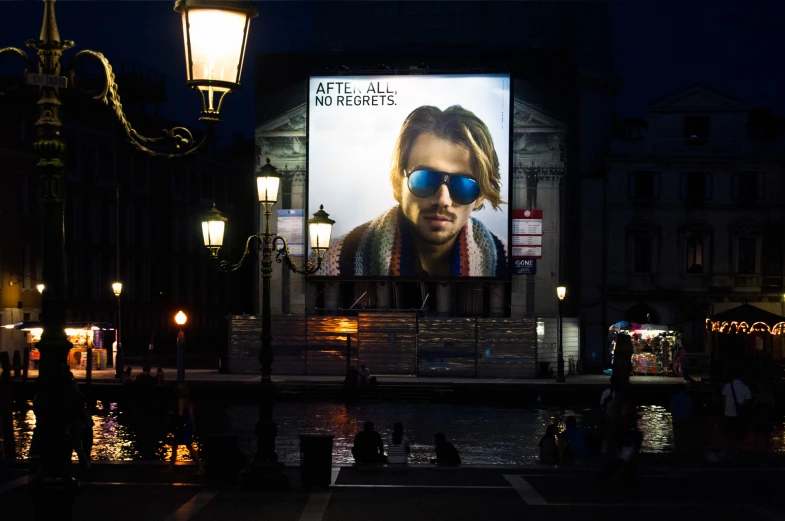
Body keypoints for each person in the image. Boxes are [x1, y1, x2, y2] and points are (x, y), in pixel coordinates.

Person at [316, 105, 508, 277]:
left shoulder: (506, 262)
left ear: (480, 196)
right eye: (424, 179)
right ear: (397, 181)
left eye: (463, 186)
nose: (443, 199)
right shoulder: (336, 261)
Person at [168, 383, 204, 474]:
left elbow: (180, 414)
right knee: (189, 446)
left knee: (176, 446)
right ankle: (200, 466)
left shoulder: (180, 400)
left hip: (182, 425)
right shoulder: (189, 401)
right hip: (188, 425)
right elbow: (191, 416)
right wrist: (194, 426)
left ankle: (171, 468)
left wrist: (172, 413)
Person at [721, 371, 751, 458]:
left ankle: (726, 453)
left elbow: (723, 400)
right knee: (739, 435)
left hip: (728, 414)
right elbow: (748, 403)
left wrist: (724, 411)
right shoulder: (745, 387)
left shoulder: (727, 386)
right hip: (740, 415)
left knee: (727, 435)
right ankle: (736, 454)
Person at [66, 375, 92, 472]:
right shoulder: (79, 394)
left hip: (75, 422)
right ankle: (85, 462)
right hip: (80, 421)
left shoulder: (71, 395)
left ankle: (84, 463)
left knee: (74, 443)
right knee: (77, 444)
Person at [670, 382, 694, 455]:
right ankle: (685, 449)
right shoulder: (688, 398)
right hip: (686, 416)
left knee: (677, 434)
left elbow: (672, 408)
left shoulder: (674, 397)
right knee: (685, 433)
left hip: (677, 416)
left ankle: (678, 448)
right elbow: (691, 408)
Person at [752, 381, 775, 452]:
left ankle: (756, 447)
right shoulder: (769, 395)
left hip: (760, 414)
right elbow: (773, 405)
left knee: (758, 431)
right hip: (767, 414)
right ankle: (767, 446)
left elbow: (754, 405)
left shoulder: (759, 395)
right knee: (767, 431)